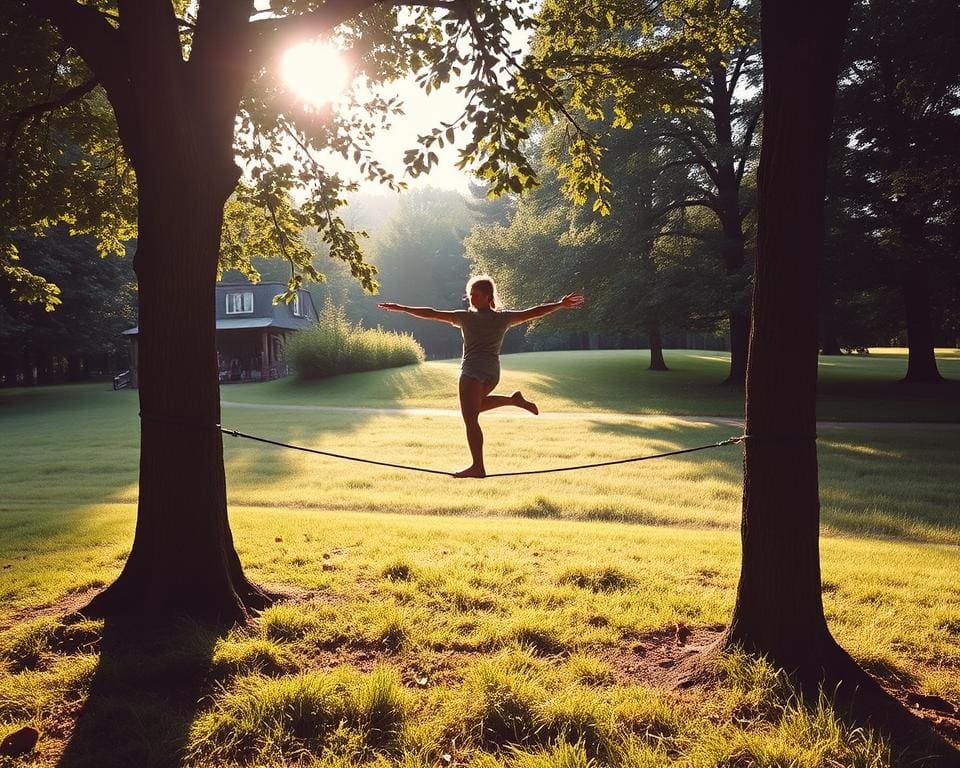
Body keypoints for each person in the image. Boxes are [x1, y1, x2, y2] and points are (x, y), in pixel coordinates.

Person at [378, 276, 585, 478]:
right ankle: (513, 400)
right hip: (492, 373)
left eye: (475, 294)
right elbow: (532, 313)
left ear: (488, 296)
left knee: (470, 419)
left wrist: (402, 308)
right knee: (474, 409)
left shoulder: (467, 318)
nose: (470, 298)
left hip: (472, 371)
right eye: (469, 294)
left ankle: (478, 466)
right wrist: (559, 304)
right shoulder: (502, 318)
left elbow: (433, 313)